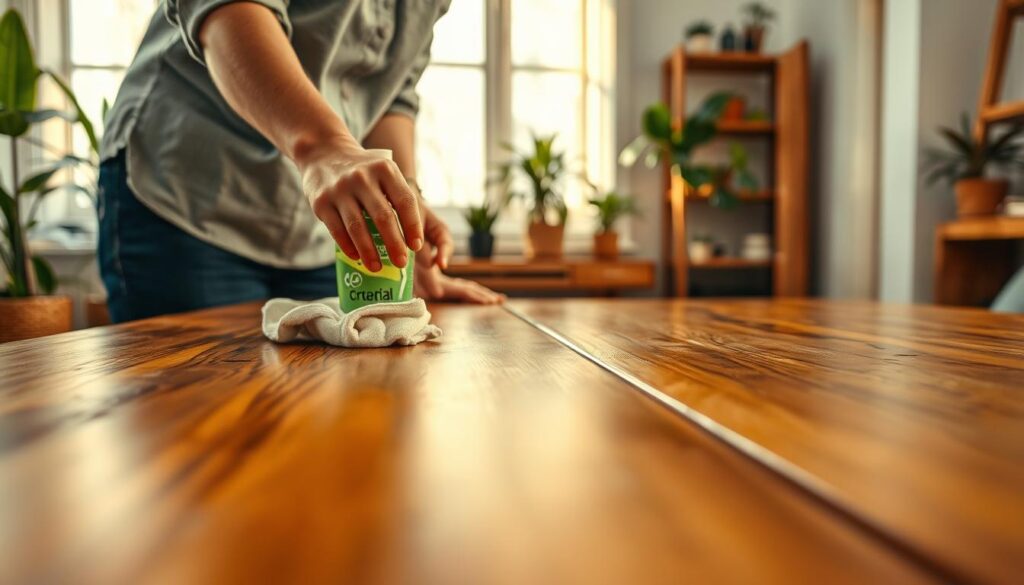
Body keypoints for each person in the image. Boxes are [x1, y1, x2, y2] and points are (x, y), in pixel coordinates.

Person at [98, 0, 504, 323]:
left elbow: (388, 97)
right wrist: (325, 148)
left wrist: (401, 214)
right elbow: (228, 10)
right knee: (201, 416)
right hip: (188, 194)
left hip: (315, 230)